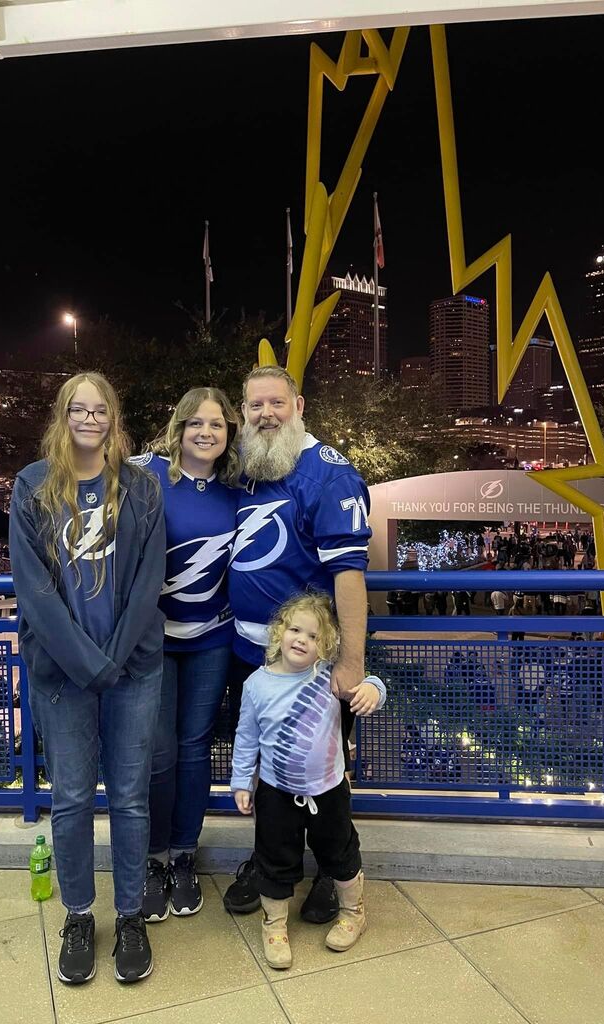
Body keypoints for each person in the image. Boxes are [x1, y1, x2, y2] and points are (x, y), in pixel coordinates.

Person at [9, 372, 166, 987]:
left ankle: (130, 915)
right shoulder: (32, 487)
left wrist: (114, 658)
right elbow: (34, 590)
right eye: (79, 409)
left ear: (113, 418)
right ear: (63, 415)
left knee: (129, 798)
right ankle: (79, 915)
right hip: (61, 674)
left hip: (132, 668)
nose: (90, 418)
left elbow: (148, 583)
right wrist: (86, 662)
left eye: (100, 410)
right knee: (71, 798)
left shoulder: (141, 488)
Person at [224, 365, 372, 922]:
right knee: (268, 769)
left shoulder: (329, 475)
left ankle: (335, 871)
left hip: (314, 663)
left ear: (300, 406)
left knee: (325, 770)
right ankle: (272, 866)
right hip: (251, 657)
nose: (266, 415)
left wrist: (352, 661)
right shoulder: (248, 468)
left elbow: (350, 577)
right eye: (255, 406)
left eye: (276, 404)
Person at [130, 387, 241, 922]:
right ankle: (152, 858)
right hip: (154, 640)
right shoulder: (144, 474)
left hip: (211, 639)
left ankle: (183, 857)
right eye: (195, 422)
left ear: (229, 432)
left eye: (217, 424)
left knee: (196, 748)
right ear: (178, 428)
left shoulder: (239, 488)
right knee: (159, 751)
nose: (206, 432)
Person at [230, 593, 385, 969]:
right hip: (274, 792)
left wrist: (372, 690)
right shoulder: (256, 685)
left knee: (340, 853)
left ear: (326, 645)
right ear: (279, 633)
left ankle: (354, 914)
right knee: (274, 858)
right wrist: (239, 782)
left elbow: (375, 685)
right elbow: (246, 737)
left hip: (329, 790)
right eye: (295, 629)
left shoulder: (330, 676)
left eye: (314, 636)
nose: (302, 639)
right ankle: (275, 925)